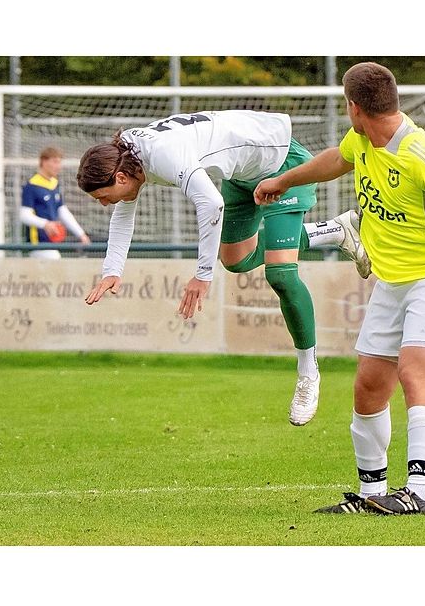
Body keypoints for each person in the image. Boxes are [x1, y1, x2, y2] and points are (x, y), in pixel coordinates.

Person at [255, 63, 425, 515]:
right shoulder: (361, 140)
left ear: (354, 107)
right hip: (392, 280)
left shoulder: (424, 154)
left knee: (414, 373)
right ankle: (371, 493)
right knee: (368, 386)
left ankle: (419, 493)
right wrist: (283, 180)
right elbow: (335, 160)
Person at [76, 110, 372, 427]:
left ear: (119, 179)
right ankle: (334, 231)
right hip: (241, 177)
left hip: (283, 165)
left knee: (280, 274)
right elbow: (124, 213)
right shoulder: (127, 155)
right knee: (236, 259)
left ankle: (307, 374)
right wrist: (112, 270)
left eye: (103, 198)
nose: (105, 204)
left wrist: (202, 276)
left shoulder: (161, 156)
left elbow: (211, 203)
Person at [21, 146, 91, 258]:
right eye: (55, 162)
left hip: (52, 243)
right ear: (43, 162)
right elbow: (24, 215)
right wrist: (46, 224)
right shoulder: (32, 186)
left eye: (59, 162)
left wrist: (81, 234)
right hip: (38, 244)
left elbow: (62, 211)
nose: (58, 166)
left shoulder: (54, 184)